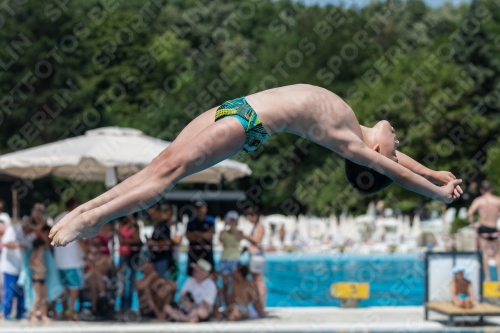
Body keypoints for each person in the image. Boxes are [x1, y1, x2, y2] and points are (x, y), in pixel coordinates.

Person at [50, 84, 463, 246]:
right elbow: (400, 162)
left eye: (393, 150)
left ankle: (95, 220)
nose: (399, 142)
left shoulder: (349, 142)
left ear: (375, 154)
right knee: (157, 164)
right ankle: (85, 210)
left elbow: (394, 168)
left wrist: (438, 193)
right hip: (236, 107)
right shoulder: (360, 127)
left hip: (246, 125)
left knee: (166, 178)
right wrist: (435, 172)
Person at [53, 198, 85, 320]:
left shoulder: (57, 218)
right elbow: (80, 239)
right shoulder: (74, 219)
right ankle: (70, 310)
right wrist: (86, 255)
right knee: (74, 286)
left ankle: (64, 309)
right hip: (73, 259)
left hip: (59, 259)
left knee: (63, 287)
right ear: (75, 205)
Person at [1, 218, 35, 319]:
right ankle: (7, 314)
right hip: (10, 268)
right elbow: (5, 243)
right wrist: (19, 246)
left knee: (21, 292)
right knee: (9, 292)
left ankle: (21, 313)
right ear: (25, 226)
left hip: (22, 269)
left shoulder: (29, 234)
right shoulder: (13, 230)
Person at [468, 181, 500, 281]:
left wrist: (474, 225)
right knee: (497, 254)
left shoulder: (479, 200)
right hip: (493, 228)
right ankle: (499, 278)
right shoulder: (497, 200)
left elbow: (470, 213)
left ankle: (488, 278)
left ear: (482, 190)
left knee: (485, 253)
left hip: (483, 228)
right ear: (491, 189)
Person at [243, 206, 267, 312]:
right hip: (255, 256)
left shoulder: (259, 226)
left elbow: (258, 240)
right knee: (255, 281)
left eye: (249, 216)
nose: (248, 219)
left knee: (258, 281)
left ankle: (261, 306)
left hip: (257, 256)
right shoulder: (256, 226)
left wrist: (245, 236)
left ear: (255, 216)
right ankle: (259, 306)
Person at [117, 213, 142, 312]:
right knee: (121, 280)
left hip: (134, 255)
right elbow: (121, 240)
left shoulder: (136, 225)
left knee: (132, 281)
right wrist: (131, 240)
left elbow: (137, 239)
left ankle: (129, 306)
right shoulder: (120, 225)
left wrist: (126, 240)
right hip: (123, 255)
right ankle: (121, 305)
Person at [218, 210, 243, 306]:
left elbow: (239, 238)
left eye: (233, 220)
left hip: (235, 259)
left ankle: (234, 304)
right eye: (230, 219)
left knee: (235, 284)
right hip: (225, 259)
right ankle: (228, 305)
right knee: (225, 284)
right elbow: (220, 239)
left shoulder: (239, 232)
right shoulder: (223, 232)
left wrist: (232, 227)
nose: (232, 221)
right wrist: (225, 226)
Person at [185, 201, 215, 276]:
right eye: (196, 208)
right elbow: (189, 236)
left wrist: (196, 234)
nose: (198, 210)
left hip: (207, 255)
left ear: (205, 209)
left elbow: (209, 235)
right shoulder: (191, 222)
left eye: (200, 208)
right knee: (193, 276)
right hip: (194, 255)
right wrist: (202, 235)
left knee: (208, 276)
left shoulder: (210, 221)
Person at [29, 230, 52, 323]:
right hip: (37, 279)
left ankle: (43, 315)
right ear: (39, 246)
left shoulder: (41, 254)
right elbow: (31, 265)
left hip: (42, 278)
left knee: (44, 298)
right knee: (37, 298)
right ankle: (33, 315)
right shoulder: (35, 254)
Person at [147, 204, 173, 279]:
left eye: (152, 213)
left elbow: (167, 242)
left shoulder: (165, 225)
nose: (151, 216)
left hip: (162, 259)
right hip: (155, 259)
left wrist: (154, 243)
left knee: (162, 283)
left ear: (158, 212)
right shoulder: (157, 225)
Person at [166, 206, 183, 281]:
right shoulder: (162, 226)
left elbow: (178, 241)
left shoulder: (178, 226)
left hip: (174, 257)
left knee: (173, 280)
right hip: (163, 257)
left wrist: (165, 241)